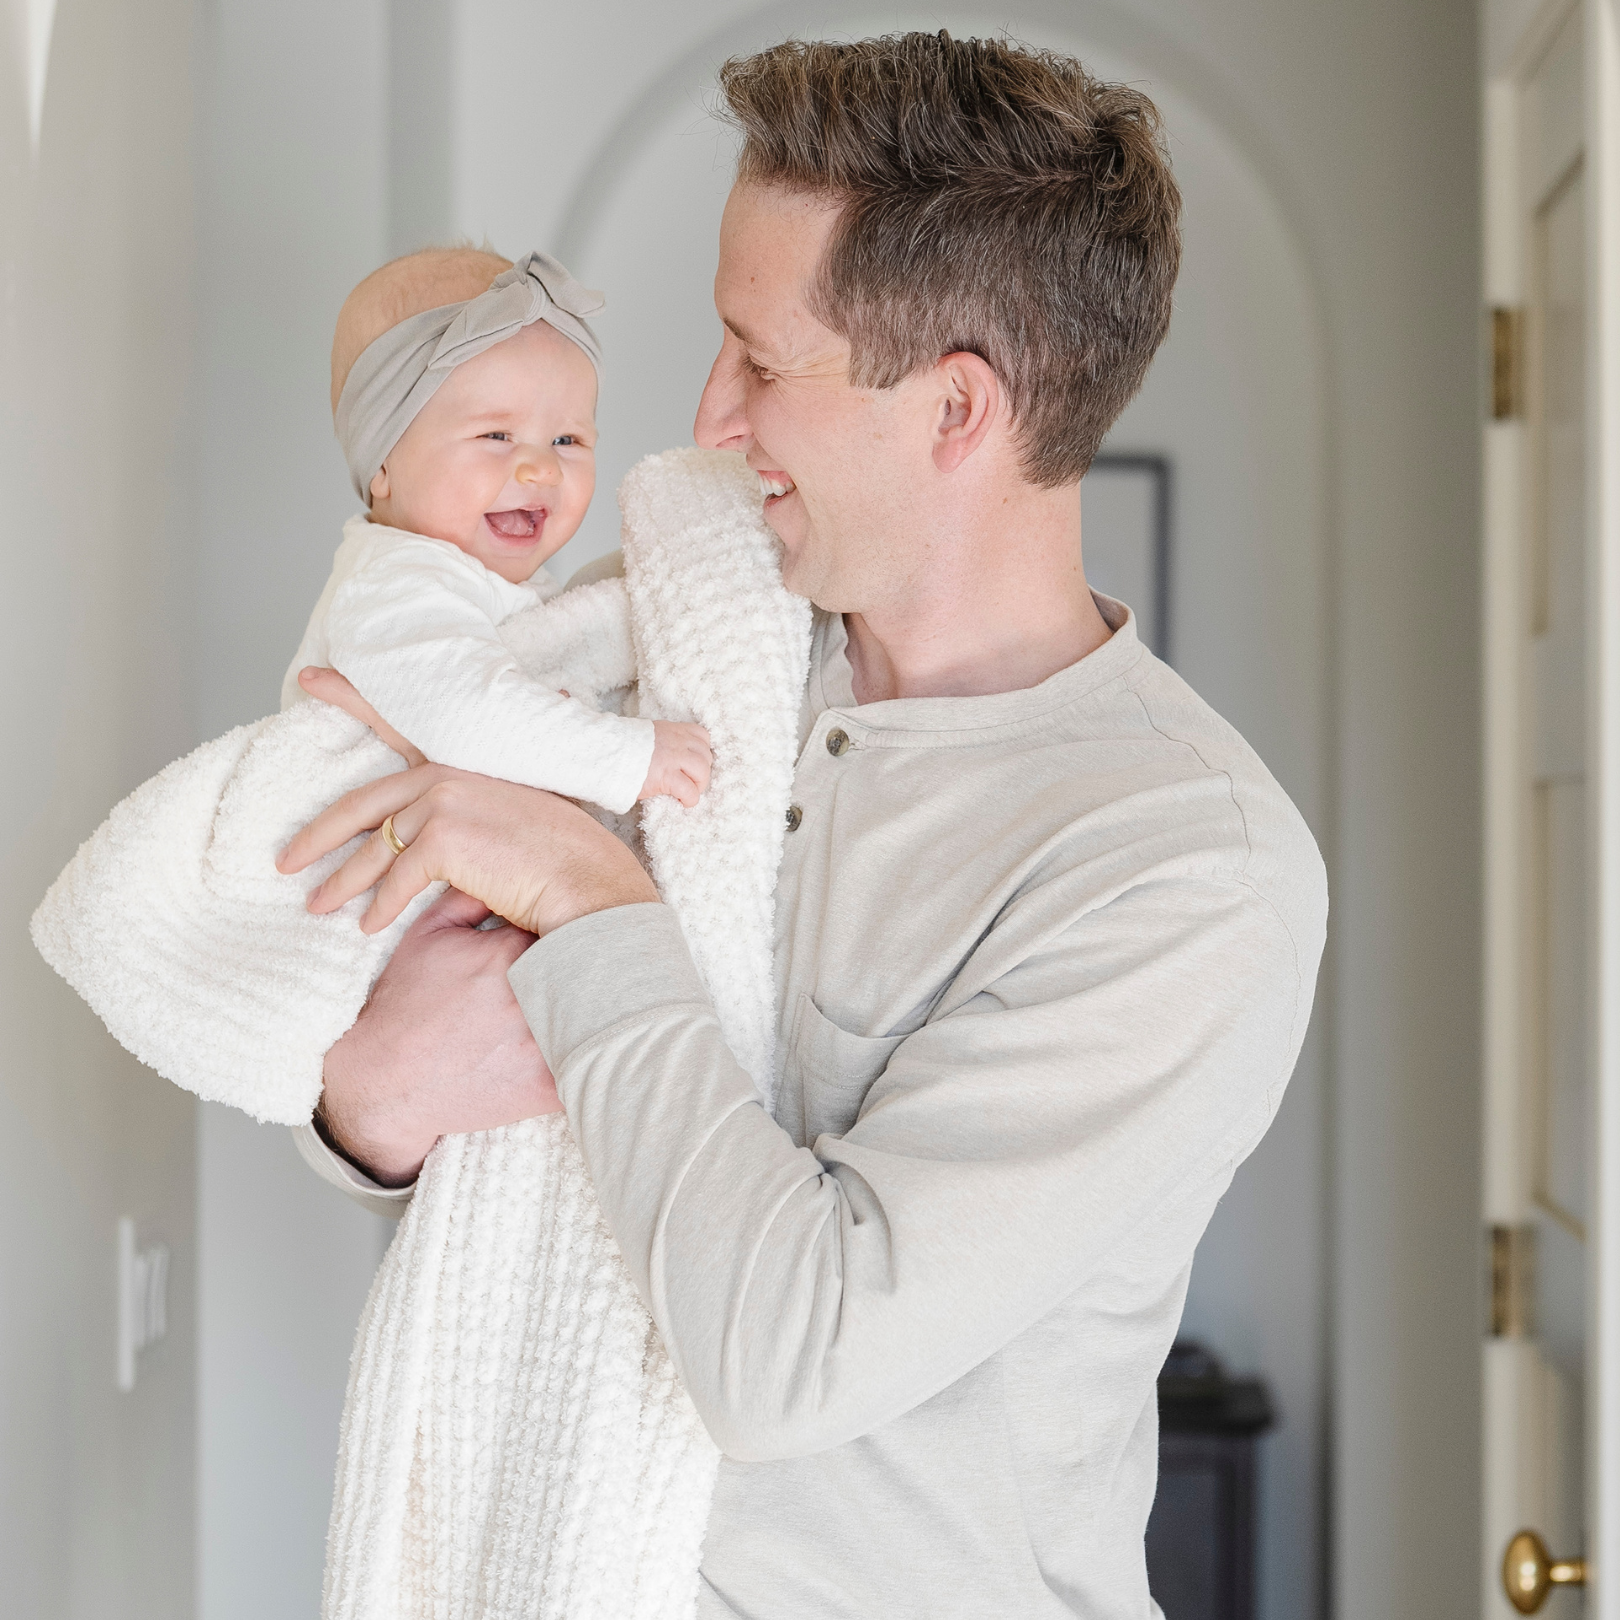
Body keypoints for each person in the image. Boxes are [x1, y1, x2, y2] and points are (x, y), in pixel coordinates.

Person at [282, 32, 1328, 1619]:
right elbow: (434, 1070)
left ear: (956, 407)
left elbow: (791, 1359)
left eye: (761, 362)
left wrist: (594, 903)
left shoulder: (1182, 870)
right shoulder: (687, 624)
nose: (710, 417)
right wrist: (361, 1110)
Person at [285, 244, 710, 816]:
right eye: (496, 436)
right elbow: (467, 710)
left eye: (567, 440)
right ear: (383, 463)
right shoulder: (393, 584)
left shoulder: (480, 583)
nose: (542, 468)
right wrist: (631, 757)